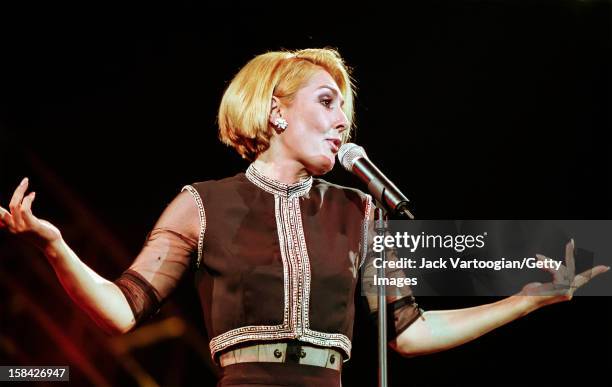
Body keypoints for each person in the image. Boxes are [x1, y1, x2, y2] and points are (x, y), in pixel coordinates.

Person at [0, 48, 609, 387]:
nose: (342, 120)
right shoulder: (204, 203)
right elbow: (117, 312)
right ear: (276, 112)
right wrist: (53, 244)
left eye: (346, 109)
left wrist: (528, 299)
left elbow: (410, 332)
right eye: (326, 102)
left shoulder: (359, 209)